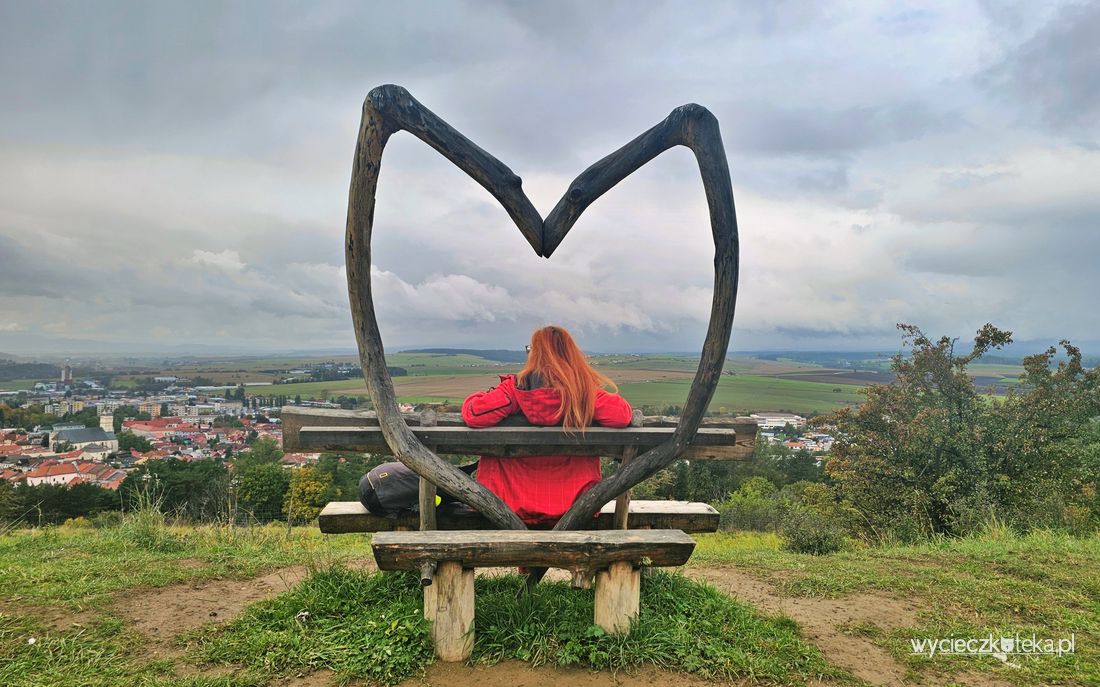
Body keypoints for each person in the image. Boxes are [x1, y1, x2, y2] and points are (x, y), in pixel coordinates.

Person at [461, 325, 632, 526]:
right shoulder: (583, 394)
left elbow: (474, 413)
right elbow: (622, 415)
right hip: (575, 507)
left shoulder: (515, 389)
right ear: (571, 355)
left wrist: (482, 395)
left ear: (535, 355)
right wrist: (585, 394)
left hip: (505, 506)